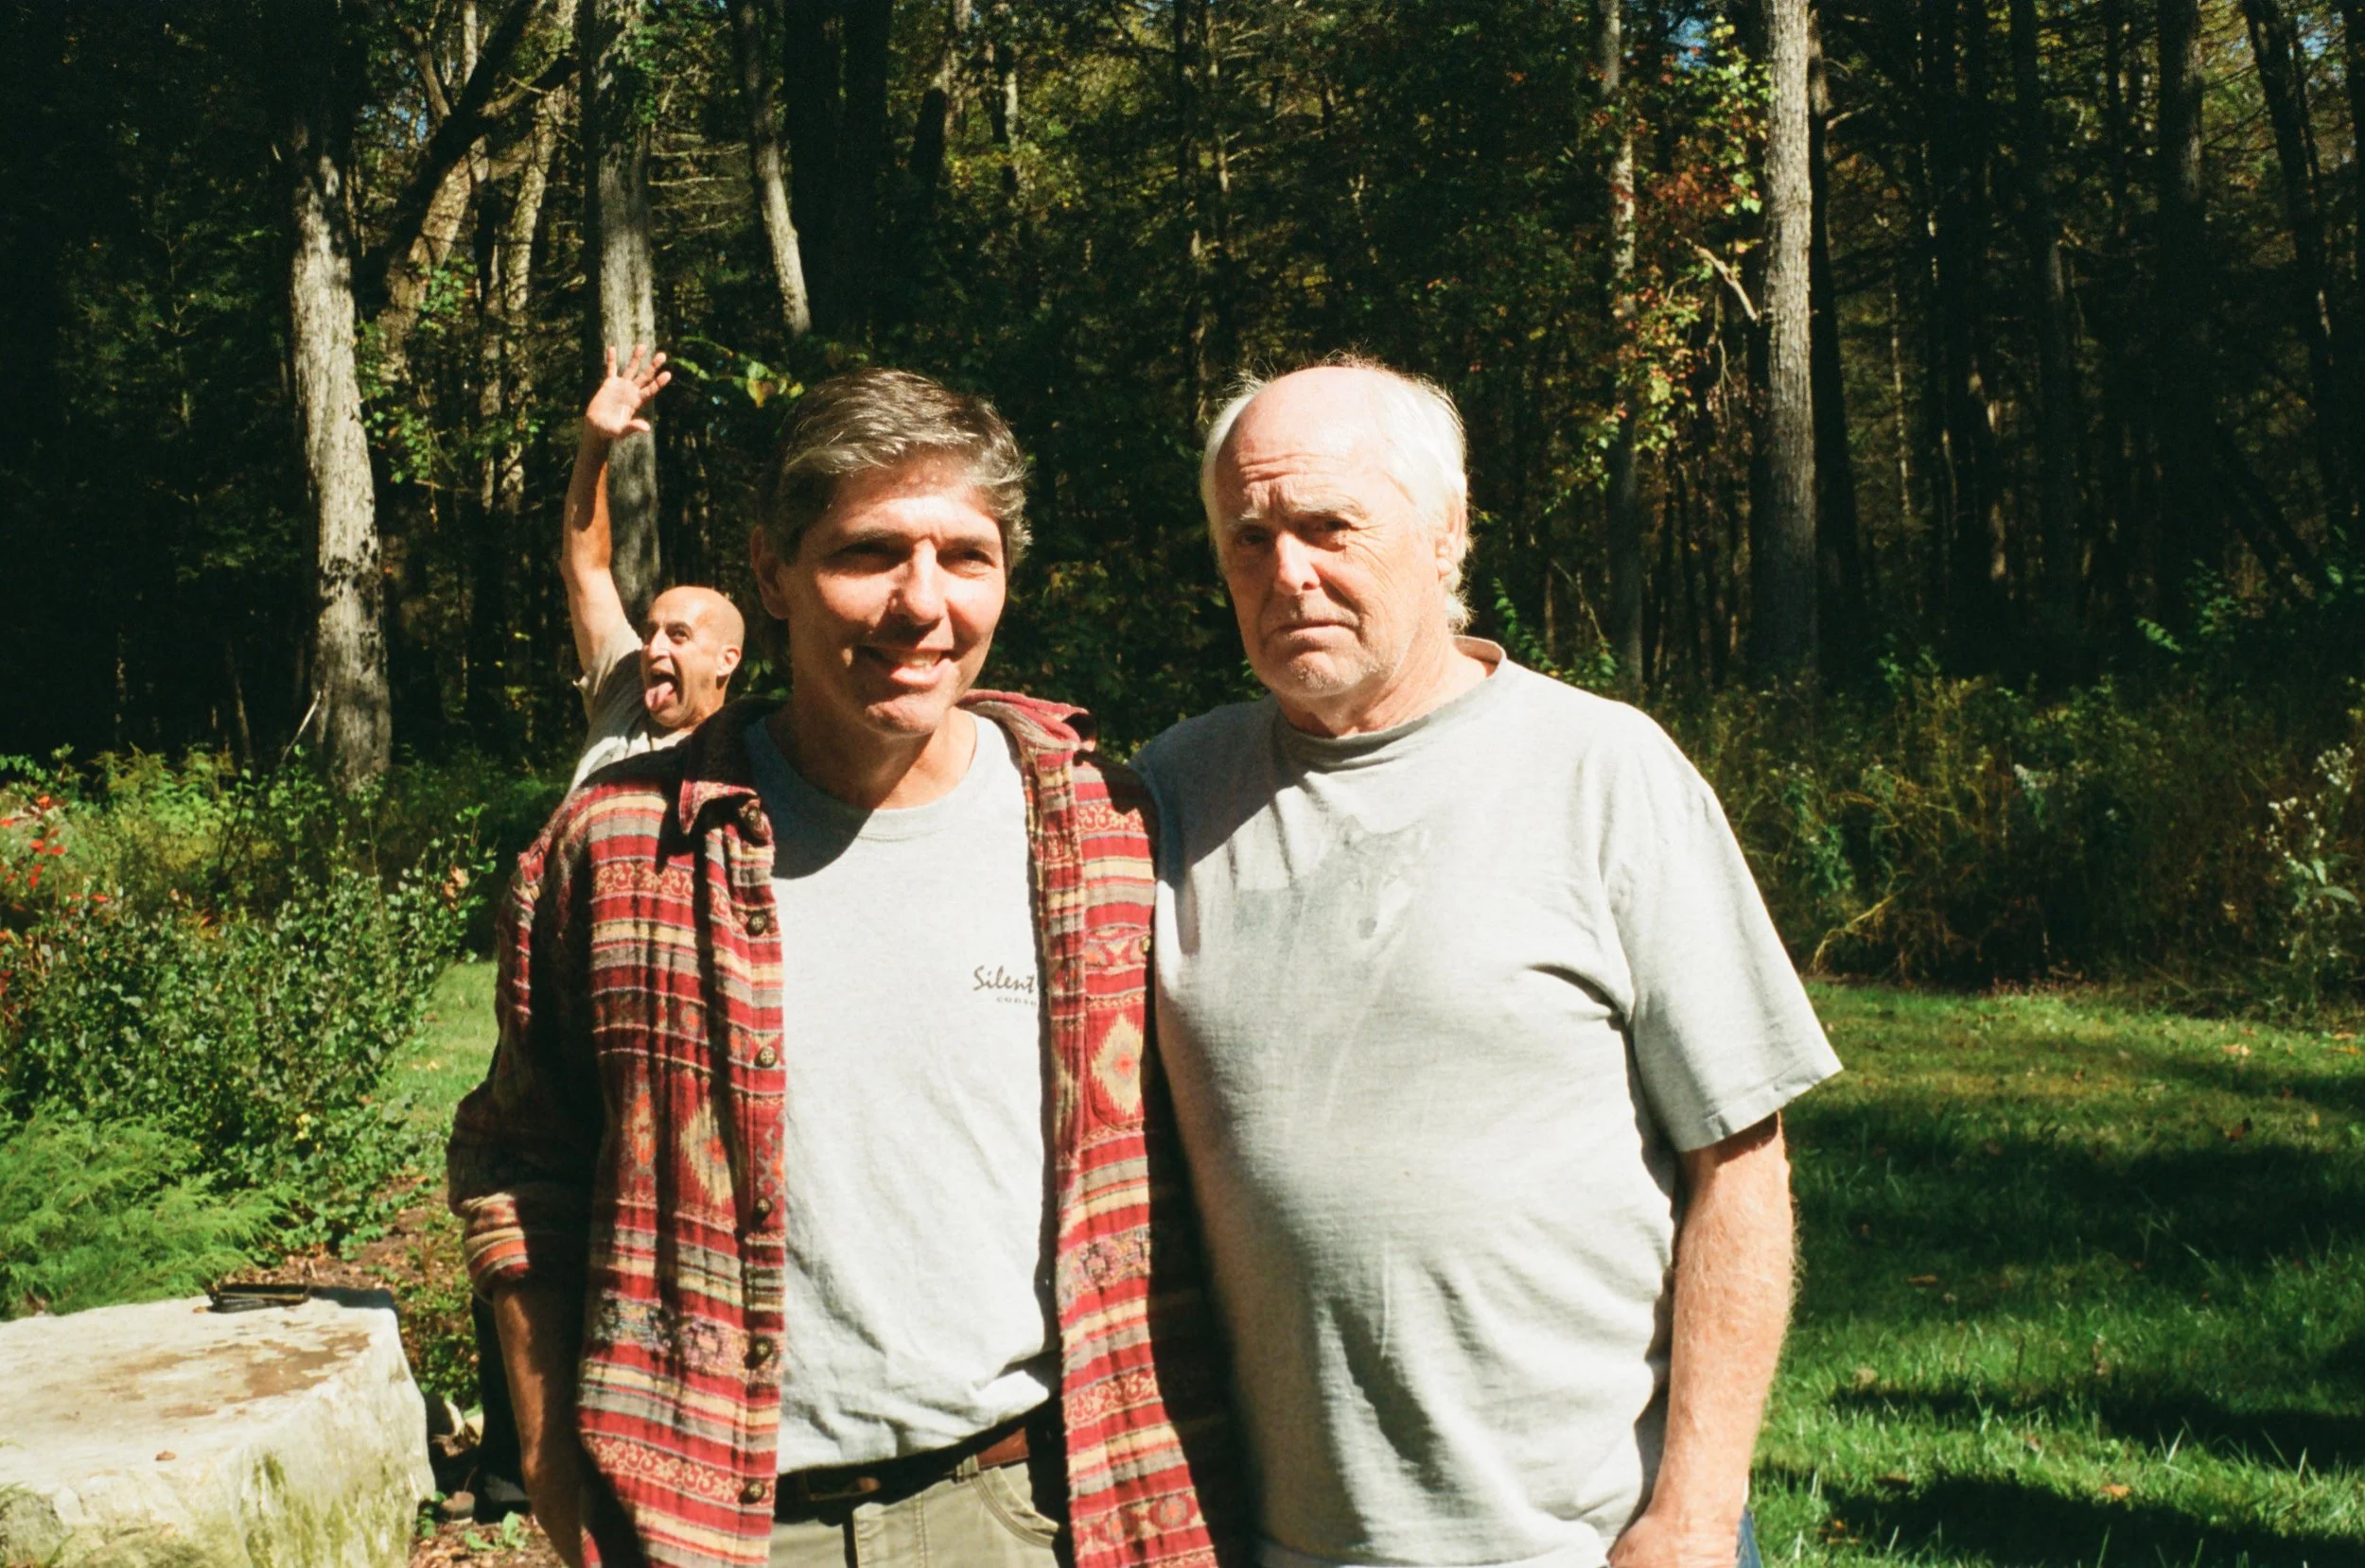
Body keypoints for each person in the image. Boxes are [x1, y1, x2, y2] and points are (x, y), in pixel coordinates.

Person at [447, 368, 1243, 1568]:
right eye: (870, 551)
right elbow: (521, 1163)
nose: (921, 603)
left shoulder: (1107, 834)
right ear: (771, 571)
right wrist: (560, 1476)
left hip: (1035, 1508)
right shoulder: (619, 849)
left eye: (965, 556)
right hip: (727, 1526)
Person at [1130, 358, 1843, 1568]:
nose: (1286, 572)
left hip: (1582, 1537)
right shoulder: (1171, 792)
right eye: (1248, 538)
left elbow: (1740, 1163)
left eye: (1328, 527)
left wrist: (1691, 1513)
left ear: (1445, 532)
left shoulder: (1604, 774)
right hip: (1274, 1539)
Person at [563, 344, 746, 790]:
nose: (651, 648)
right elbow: (585, 567)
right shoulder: (624, 686)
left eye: (678, 634)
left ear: (727, 661)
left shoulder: (743, 760)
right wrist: (595, 442)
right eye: (650, 632)